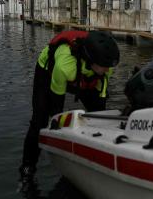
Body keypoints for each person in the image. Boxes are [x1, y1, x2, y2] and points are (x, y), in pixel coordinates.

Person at [19, 30, 120, 180]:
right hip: (48, 72)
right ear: (92, 60)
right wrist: (57, 130)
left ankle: (96, 159)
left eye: (109, 66)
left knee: (99, 117)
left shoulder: (107, 66)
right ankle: (27, 167)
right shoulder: (64, 67)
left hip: (86, 75)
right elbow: (56, 106)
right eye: (104, 66)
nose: (108, 70)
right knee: (40, 120)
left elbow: (100, 102)